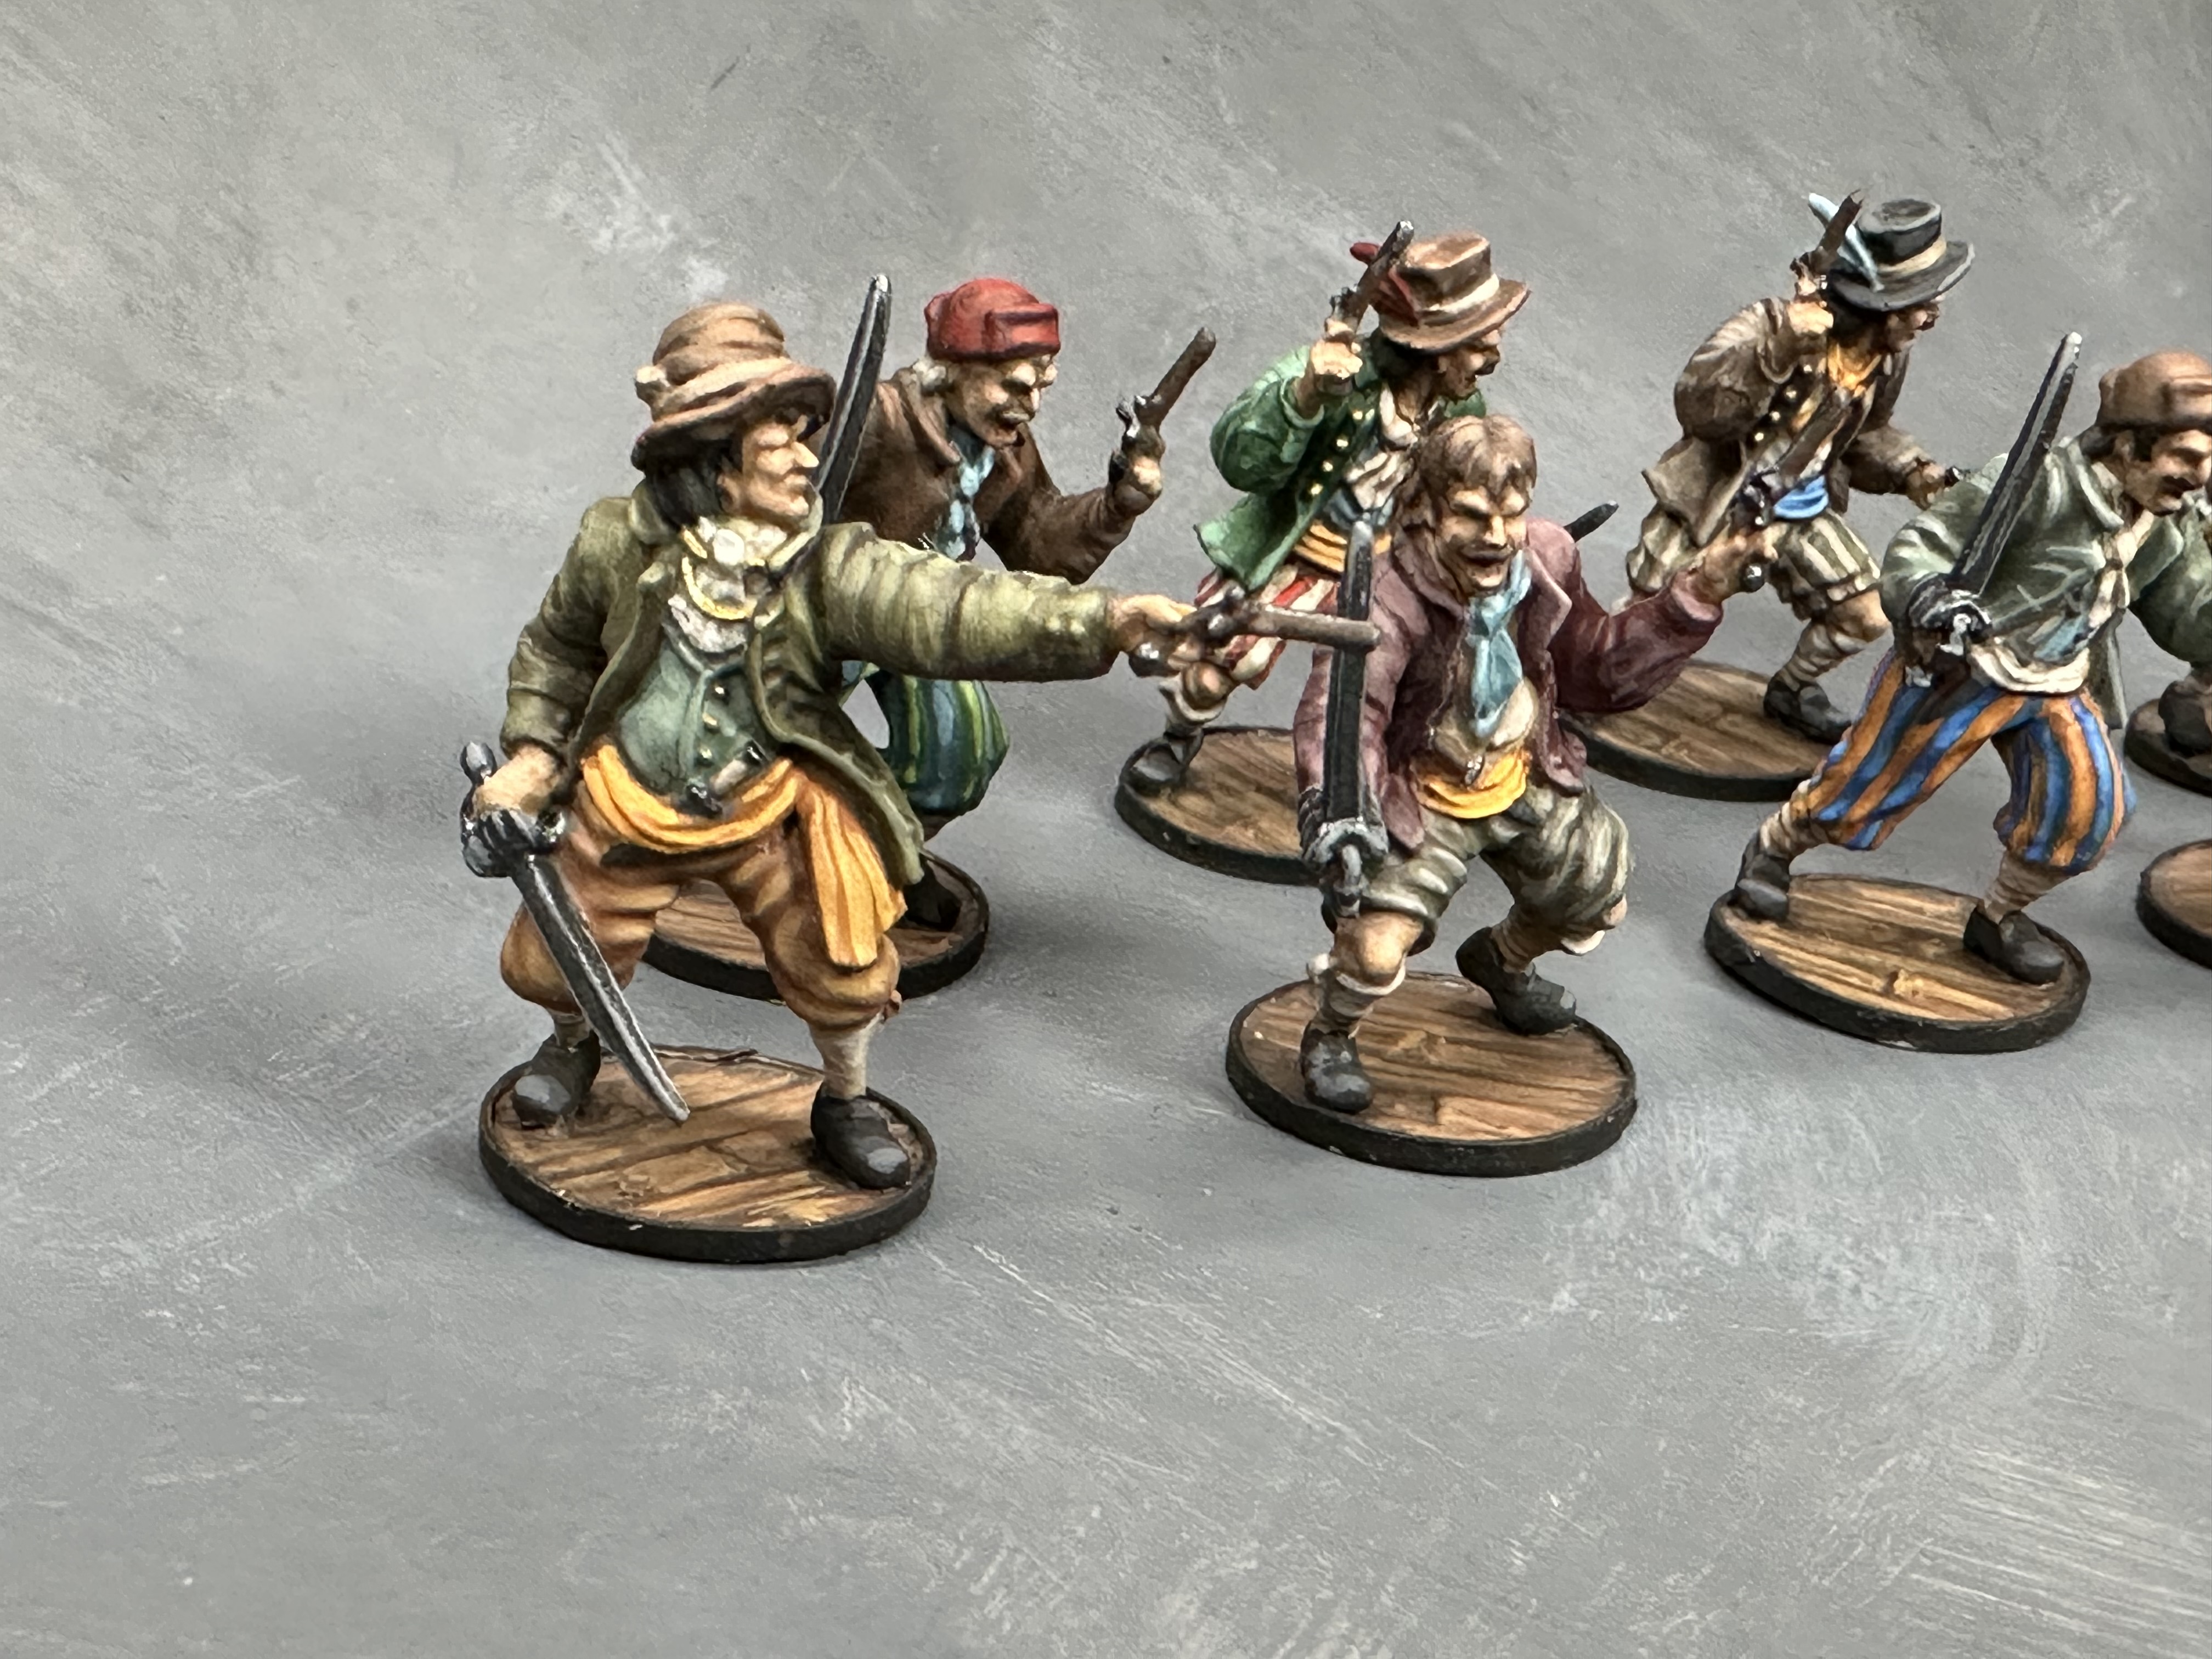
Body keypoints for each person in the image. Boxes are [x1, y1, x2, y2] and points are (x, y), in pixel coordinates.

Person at [469, 301, 1198, 1186]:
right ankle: (572, 1043)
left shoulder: (828, 564)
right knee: (560, 955)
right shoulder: (615, 543)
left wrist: (1108, 620)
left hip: (772, 804)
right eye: (779, 441)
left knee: (844, 963)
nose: (808, 458)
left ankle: (844, 1097)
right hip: (627, 802)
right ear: (714, 457)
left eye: (801, 433)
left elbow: (953, 606)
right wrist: (533, 758)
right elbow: (557, 652)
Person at [1292, 415, 1762, 1111]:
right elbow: (1346, 714)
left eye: (1511, 514)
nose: (1496, 536)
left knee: (1598, 899)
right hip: (1420, 796)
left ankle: (1503, 960)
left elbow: (1598, 670)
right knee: (1374, 951)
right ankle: (1332, 1033)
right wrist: (1347, 809)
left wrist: (1694, 597)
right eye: (1471, 515)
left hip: (1523, 773)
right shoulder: (1385, 599)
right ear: (1424, 511)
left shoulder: (1545, 560)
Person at [1731, 351, 2212, 982]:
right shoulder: (2038, 484)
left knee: (2084, 809)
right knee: (1867, 786)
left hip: (2059, 682)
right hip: (1967, 669)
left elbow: (2189, 620)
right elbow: (1924, 545)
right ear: (2128, 444)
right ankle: (1774, 851)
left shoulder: (2167, 527)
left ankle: (2000, 917)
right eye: (2186, 458)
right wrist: (1929, 596)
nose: (2198, 477)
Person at [1126, 233, 1525, 793]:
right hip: (1307, 553)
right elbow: (1240, 457)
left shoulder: (1461, 408)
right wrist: (1307, 396)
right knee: (1224, 658)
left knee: (1414, 672)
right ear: (1440, 346)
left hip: (1389, 566)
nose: (1492, 359)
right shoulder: (1339, 378)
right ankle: (1180, 736)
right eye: (1481, 344)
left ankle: (1381, 771)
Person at [838, 279, 1164, 920]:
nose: (1030, 407)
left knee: (959, 757)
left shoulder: (1004, 451)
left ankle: (877, 857)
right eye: (1014, 387)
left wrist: (1118, 503)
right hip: (835, 613)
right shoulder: (879, 421)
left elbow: (1039, 544)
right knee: (767, 746)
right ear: (953, 370)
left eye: (1042, 387)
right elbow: (779, 484)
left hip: (931, 617)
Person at [1626, 196, 1971, 742]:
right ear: (1882, 303)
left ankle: (1792, 690)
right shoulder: (1769, 324)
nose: (1932, 317)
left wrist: (1913, 470)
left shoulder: (1885, 360)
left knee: (1865, 612)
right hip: (1720, 501)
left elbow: (1866, 435)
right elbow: (1699, 405)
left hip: (1803, 510)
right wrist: (1779, 348)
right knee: (1655, 603)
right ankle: (1605, 681)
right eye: (1922, 303)